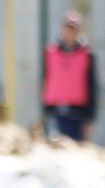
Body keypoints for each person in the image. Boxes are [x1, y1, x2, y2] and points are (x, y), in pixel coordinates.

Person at [42, 10, 98, 143]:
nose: (71, 32)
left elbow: (92, 86)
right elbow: (46, 80)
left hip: (78, 112)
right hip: (55, 111)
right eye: (68, 27)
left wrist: (90, 117)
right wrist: (44, 109)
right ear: (62, 29)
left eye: (74, 28)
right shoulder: (51, 52)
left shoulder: (87, 54)